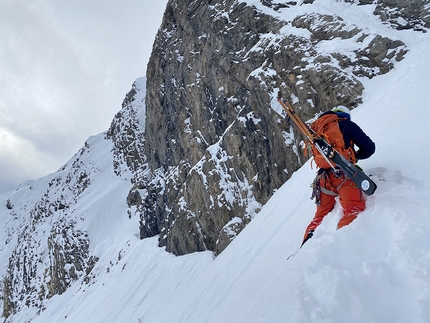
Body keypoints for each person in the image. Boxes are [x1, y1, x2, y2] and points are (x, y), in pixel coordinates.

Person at [302, 106, 375, 246]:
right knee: (352, 209)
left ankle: (304, 250)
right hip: (345, 176)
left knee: (319, 216)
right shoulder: (345, 124)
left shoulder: (316, 129)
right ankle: (340, 248)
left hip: (323, 180)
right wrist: (355, 156)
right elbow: (369, 148)